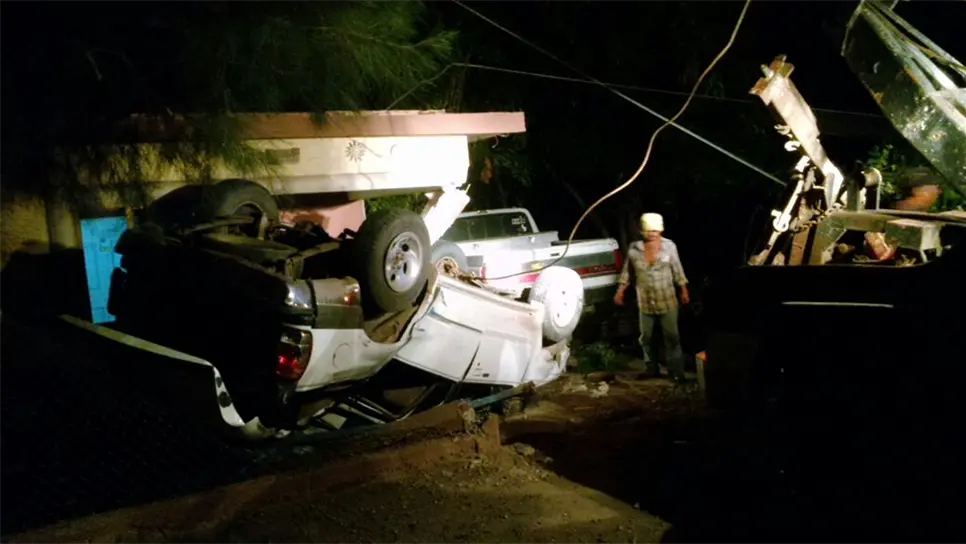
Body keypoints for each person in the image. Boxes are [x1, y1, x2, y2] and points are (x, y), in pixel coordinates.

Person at [614, 213, 690, 383]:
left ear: (661, 230)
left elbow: (678, 270)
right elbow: (627, 273)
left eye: (655, 230)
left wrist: (683, 290)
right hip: (645, 303)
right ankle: (651, 369)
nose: (652, 234)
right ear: (642, 231)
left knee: (672, 338)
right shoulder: (635, 249)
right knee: (646, 338)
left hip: (667, 300)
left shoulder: (669, 247)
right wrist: (620, 291)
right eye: (649, 230)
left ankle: (676, 372)